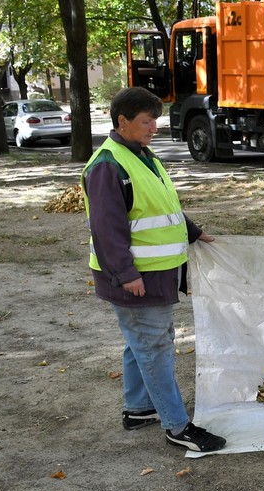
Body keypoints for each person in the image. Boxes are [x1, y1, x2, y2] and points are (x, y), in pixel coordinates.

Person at [82, 87, 227, 453]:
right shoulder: (107, 165)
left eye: (155, 121)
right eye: (147, 122)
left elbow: (162, 206)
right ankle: (177, 426)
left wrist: (194, 232)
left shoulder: (142, 156)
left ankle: (139, 408)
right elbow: (106, 229)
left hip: (157, 274)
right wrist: (126, 274)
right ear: (123, 121)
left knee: (142, 343)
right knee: (154, 347)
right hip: (136, 278)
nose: (154, 128)